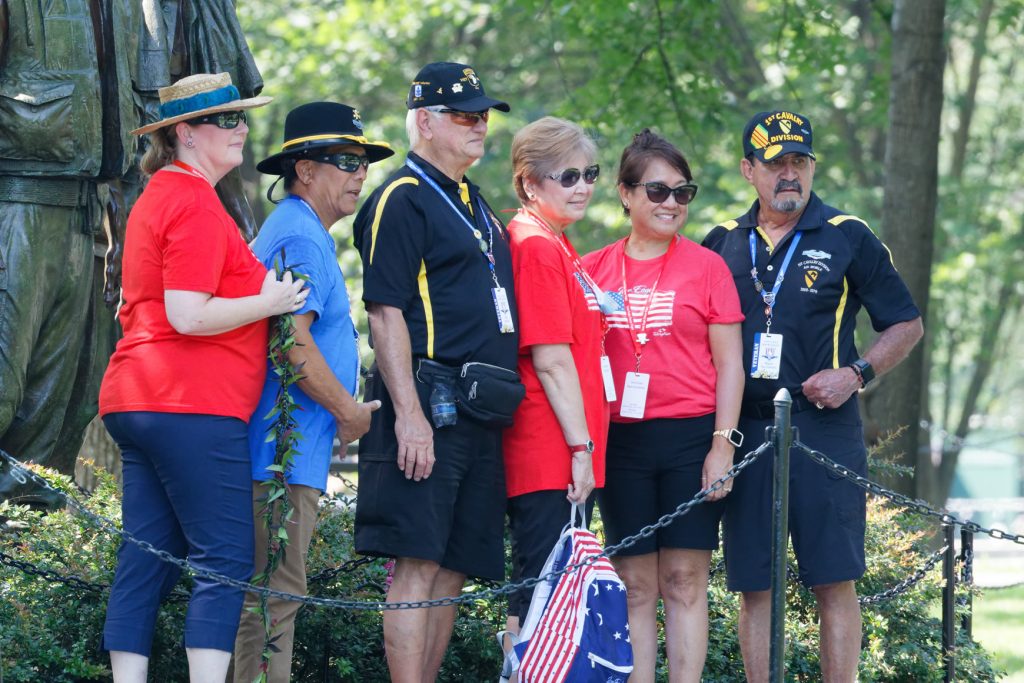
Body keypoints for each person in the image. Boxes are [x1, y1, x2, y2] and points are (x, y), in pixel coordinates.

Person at [97, 73, 306, 683]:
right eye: (227, 120)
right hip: (188, 402)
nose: (242, 129)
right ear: (186, 133)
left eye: (242, 118)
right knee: (225, 559)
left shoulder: (165, 195)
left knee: (146, 559)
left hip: (143, 397)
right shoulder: (189, 199)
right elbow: (188, 314)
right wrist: (273, 301)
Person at [702, 110, 924, 682]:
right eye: (775, 164)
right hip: (746, 429)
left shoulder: (847, 234)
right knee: (755, 583)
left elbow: (905, 324)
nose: (789, 175)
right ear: (748, 170)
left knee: (833, 578)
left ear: (812, 166)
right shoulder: (722, 242)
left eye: (798, 162)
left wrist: (856, 373)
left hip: (825, 426)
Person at [352, 62, 520, 682]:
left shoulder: (476, 200)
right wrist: (410, 418)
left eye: (483, 115)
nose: (479, 126)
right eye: (464, 116)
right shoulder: (401, 196)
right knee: (417, 564)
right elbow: (385, 313)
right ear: (425, 121)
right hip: (428, 400)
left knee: (453, 564)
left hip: (483, 410)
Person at [230, 101, 393, 682]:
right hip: (276, 456)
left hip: (285, 455)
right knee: (274, 596)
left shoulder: (305, 232)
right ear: (304, 169)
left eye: (365, 162)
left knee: (273, 594)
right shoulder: (298, 234)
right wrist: (348, 410)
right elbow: (289, 344)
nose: (361, 174)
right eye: (347, 160)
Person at [582, 129, 745, 682]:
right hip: (620, 440)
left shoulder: (707, 267)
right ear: (625, 194)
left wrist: (722, 446)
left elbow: (731, 367)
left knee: (683, 580)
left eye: (683, 192)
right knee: (635, 584)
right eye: (657, 191)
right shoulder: (590, 268)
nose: (671, 203)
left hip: (692, 438)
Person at [502, 117, 609, 644]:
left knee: (554, 595)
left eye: (590, 173)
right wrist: (581, 446)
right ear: (528, 182)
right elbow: (550, 359)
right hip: (550, 448)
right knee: (540, 595)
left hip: (564, 448)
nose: (583, 186)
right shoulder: (536, 246)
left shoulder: (556, 242)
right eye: (568, 176)